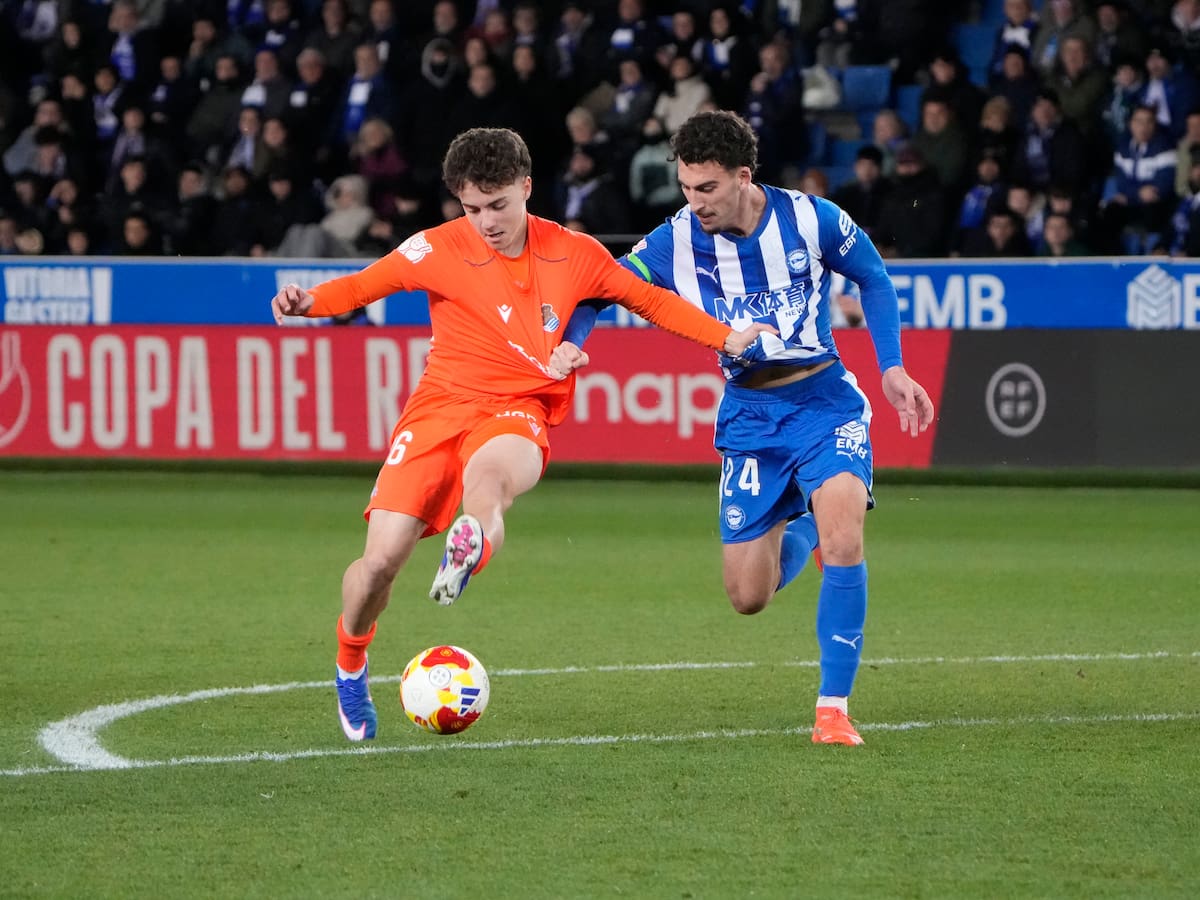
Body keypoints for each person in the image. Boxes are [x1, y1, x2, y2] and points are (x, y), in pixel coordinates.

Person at [268, 127, 773, 743]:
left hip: (517, 406)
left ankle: (471, 542)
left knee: (491, 483)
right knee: (379, 564)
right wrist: (309, 302)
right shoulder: (436, 247)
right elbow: (360, 286)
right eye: (472, 208)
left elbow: (651, 301)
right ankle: (351, 661)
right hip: (437, 410)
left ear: (527, 188)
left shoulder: (574, 252)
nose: (486, 221)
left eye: (498, 204)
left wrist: (727, 337)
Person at [550, 110, 935, 747]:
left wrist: (891, 366)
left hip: (824, 402)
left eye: (706, 188)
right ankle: (805, 522)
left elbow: (872, 275)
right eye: (685, 187)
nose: (694, 201)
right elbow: (602, 288)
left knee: (845, 540)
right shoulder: (675, 239)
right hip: (749, 417)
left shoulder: (810, 218)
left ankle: (832, 709)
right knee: (748, 596)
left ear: (743, 177)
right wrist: (573, 342)